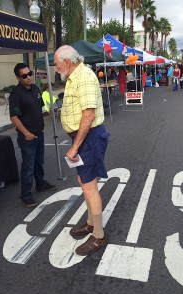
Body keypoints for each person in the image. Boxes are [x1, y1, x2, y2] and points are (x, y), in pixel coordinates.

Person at [54, 45, 110, 256]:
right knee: (85, 183)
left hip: (89, 138)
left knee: (88, 186)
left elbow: (88, 115)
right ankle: (89, 223)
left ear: (67, 62)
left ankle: (98, 235)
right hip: (84, 137)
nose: (56, 69)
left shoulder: (84, 76)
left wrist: (75, 147)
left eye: (58, 65)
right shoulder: (74, 76)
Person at [9, 63, 57, 208]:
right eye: (24, 76)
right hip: (27, 136)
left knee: (38, 162)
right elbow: (14, 117)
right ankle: (26, 194)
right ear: (18, 77)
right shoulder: (16, 94)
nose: (29, 77)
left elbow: (41, 105)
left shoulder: (35, 88)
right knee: (28, 166)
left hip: (39, 133)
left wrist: (49, 108)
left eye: (29, 73)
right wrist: (26, 133)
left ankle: (41, 184)